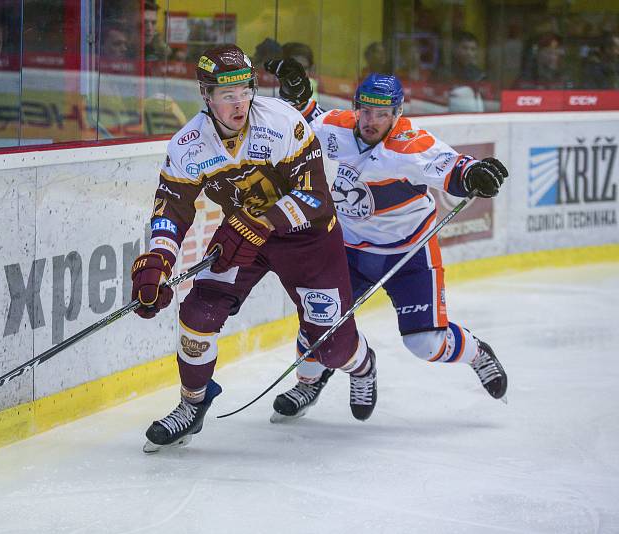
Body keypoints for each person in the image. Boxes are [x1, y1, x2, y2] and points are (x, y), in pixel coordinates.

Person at [132, 44, 375, 452]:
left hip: (308, 240)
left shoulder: (283, 123)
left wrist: (260, 222)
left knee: (332, 348)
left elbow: (315, 198)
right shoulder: (188, 145)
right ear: (205, 96)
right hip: (245, 238)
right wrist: (157, 259)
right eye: (227, 95)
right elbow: (171, 211)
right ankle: (193, 403)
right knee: (197, 313)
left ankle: (363, 364)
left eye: (245, 90)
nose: (239, 103)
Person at [264, 58, 509, 420]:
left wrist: (474, 173)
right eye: (365, 111)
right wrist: (298, 95)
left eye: (381, 114)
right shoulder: (337, 129)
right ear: (356, 109)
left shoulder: (411, 145)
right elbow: (306, 117)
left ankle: (476, 352)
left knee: (425, 344)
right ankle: (311, 383)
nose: (371, 121)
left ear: (397, 114)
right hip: (347, 251)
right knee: (318, 319)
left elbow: (453, 166)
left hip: (409, 254)